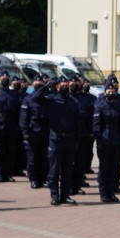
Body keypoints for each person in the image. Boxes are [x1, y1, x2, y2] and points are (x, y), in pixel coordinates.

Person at [32, 77, 80, 206]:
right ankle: (54, 196)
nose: (65, 87)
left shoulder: (72, 102)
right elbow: (35, 98)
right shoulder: (51, 99)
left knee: (67, 170)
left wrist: (77, 140)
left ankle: (65, 195)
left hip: (69, 138)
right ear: (57, 87)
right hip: (56, 139)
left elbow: (77, 122)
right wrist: (46, 86)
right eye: (62, 85)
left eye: (66, 85)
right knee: (54, 169)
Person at [93, 79, 120, 203]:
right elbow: (96, 125)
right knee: (104, 168)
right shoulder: (100, 105)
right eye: (108, 90)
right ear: (105, 92)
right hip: (104, 140)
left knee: (113, 168)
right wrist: (99, 140)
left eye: (113, 90)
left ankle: (111, 192)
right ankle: (104, 193)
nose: (111, 92)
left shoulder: (119, 105)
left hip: (116, 139)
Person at [0, 71, 23, 182]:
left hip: (11, 128)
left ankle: (8, 174)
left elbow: (19, 112)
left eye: (7, 77)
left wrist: (18, 127)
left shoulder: (14, 94)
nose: (5, 79)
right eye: (2, 77)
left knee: (10, 151)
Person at [20, 75, 50, 188]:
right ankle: (33, 179)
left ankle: (43, 178)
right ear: (32, 84)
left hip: (45, 131)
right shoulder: (28, 99)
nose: (38, 84)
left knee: (44, 157)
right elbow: (23, 118)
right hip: (33, 132)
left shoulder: (47, 98)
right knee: (33, 158)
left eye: (41, 83)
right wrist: (26, 133)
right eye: (36, 82)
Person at [71, 75, 97, 195]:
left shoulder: (86, 98)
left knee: (80, 161)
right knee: (68, 162)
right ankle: (68, 187)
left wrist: (91, 132)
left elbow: (92, 117)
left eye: (77, 82)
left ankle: (77, 184)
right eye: (72, 82)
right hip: (69, 134)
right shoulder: (65, 97)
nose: (74, 84)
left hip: (83, 134)